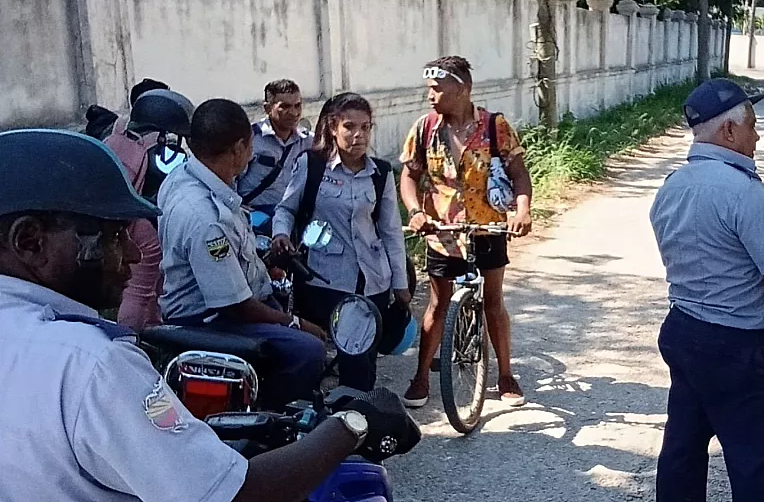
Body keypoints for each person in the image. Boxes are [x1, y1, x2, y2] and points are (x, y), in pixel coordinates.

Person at [0, 128, 414, 502]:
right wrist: (352, 424)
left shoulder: (196, 188)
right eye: (113, 235)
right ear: (30, 241)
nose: (132, 252)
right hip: (213, 319)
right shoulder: (92, 364)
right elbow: (230, 495)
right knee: (305, 350)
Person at [649, 78, 764, 502]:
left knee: (683, 448)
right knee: (753, 459)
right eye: (752, 124)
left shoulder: (672, 185)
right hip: (737, 344)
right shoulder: (745, 193)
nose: (758, 134)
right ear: (729, 131)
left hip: (684, 329)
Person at [158, 98, 327, 410]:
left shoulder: (183, 177)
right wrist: (295, 323)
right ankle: (264, 417)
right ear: (239, 148)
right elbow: (236, 306)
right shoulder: (207, 219)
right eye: (249, 146)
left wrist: (267, 265)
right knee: (309, 350)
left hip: (229, 301)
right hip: (210, 321)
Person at [399, 55, 533, 408]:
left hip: (487, 227)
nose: (431, 95)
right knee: (438, 304)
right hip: (441, 230)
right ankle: (421, 376)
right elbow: (410, 176)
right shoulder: (425, 128)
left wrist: (522, 210)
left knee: (493, 300)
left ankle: (505, 375)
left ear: (463, 89)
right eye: (429, 88)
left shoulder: (494, 127)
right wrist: (415, 212)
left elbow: (519, 173)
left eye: (438, 88)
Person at [273, 92, 410, 391]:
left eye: (365, 127)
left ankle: (357, 427)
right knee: (310, 361)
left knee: (359, 368)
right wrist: (281, 234)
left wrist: (400, 283)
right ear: (333, 128)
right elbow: (286, 209)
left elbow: (390, 231)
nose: (358, 135)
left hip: (369, 285)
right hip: (319, 282)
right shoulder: (311, 165)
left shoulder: (381, 173)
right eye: (349, 126)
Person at [104, 89, 195, 332]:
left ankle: (151, 327)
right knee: (141, 288)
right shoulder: (160, 149)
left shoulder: (119, 135)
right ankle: (130, 336)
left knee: (148, 283)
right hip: (139, 221)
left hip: (117, 217)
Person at [236, 79, 311, 230]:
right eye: (285, 106)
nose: (294, 113)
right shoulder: (250, 139)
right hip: (256, 217)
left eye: (298, 105)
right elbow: (231, 179)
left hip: (294, 217)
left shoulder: (309, 141)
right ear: (268, 108)